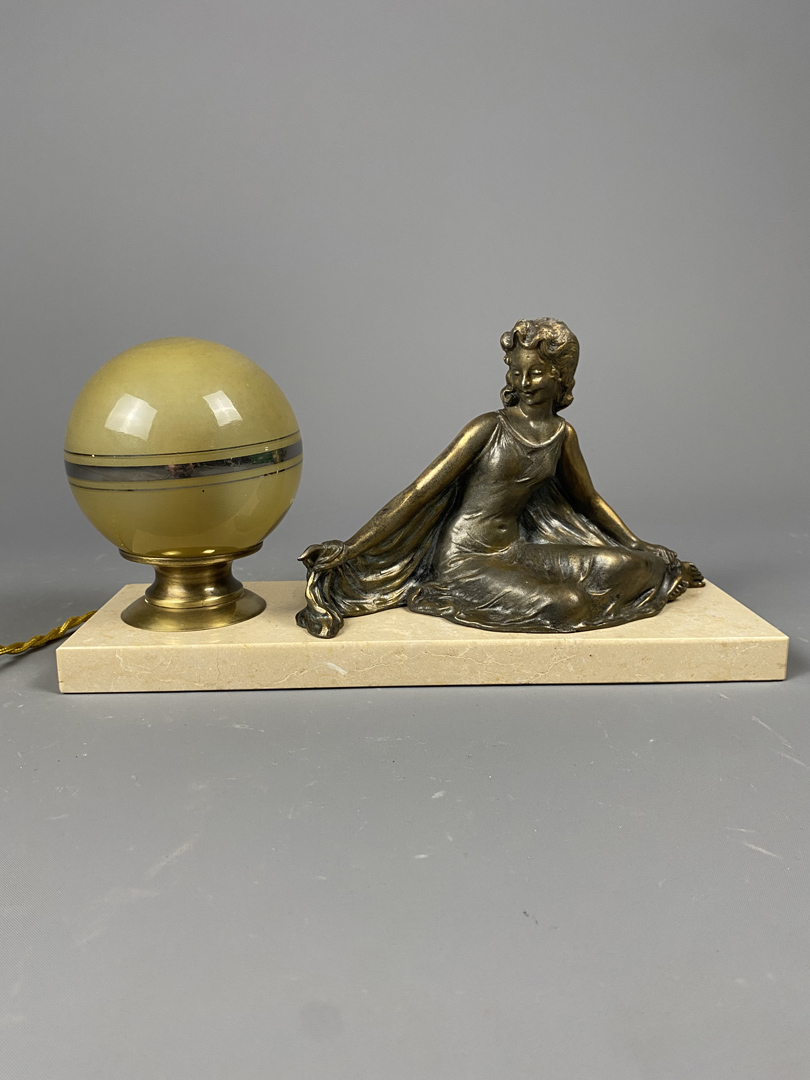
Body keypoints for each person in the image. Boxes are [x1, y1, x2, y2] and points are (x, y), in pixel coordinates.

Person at [296, 318, 703, 638]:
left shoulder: (562, 435)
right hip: (467, 560)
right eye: (516, 372)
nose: (524, 383)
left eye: (537, 373)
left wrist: (637, 543)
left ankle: (630, 584)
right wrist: (351, 547)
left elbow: (589, 500)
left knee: (635, 566)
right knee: (567, 606)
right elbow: (418, 492)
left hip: (517, 551)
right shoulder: (488, 428)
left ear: (561, 377)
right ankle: (446, 593)